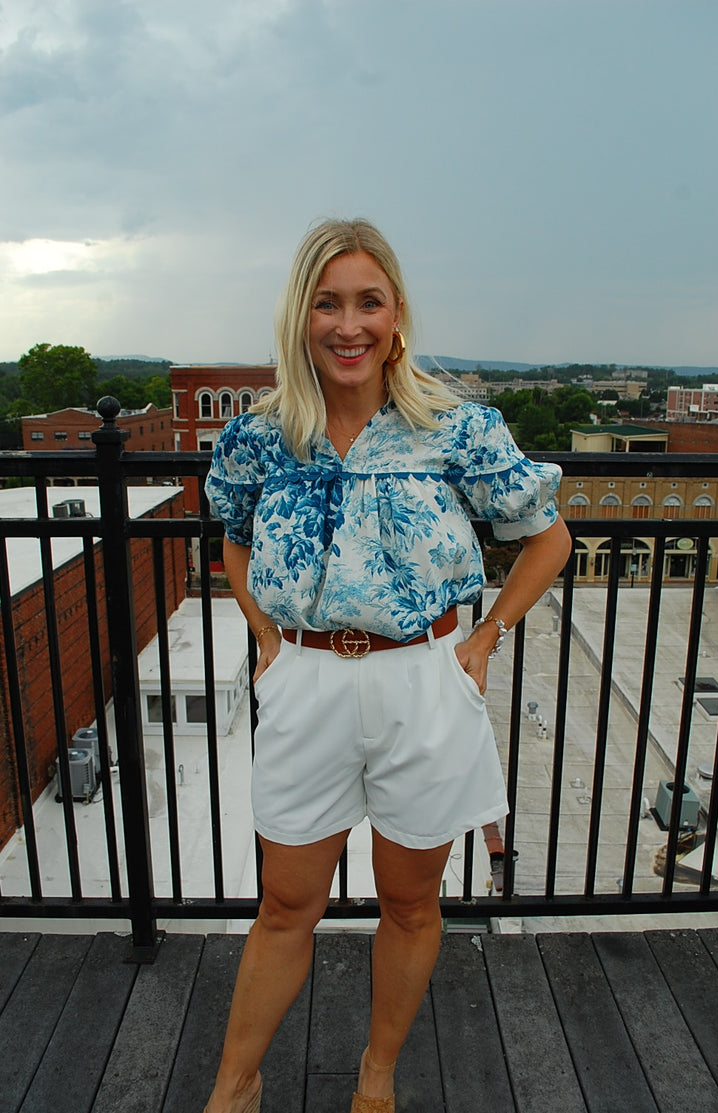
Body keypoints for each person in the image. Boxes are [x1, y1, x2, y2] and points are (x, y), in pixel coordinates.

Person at [203, 217, 572, 1113]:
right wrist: (263, 636)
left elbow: (548, 537)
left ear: (397, 315)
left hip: (422, 680)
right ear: (301, 318)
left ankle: (377, 1075)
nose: (348, 323)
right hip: (309, 681)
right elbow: (234, 541)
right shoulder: (261, 438)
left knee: (410, 902)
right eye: (327, 303)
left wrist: (479, 642)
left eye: (368, 301)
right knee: (286, 905)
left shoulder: (453, 428)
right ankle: (233, 1087)